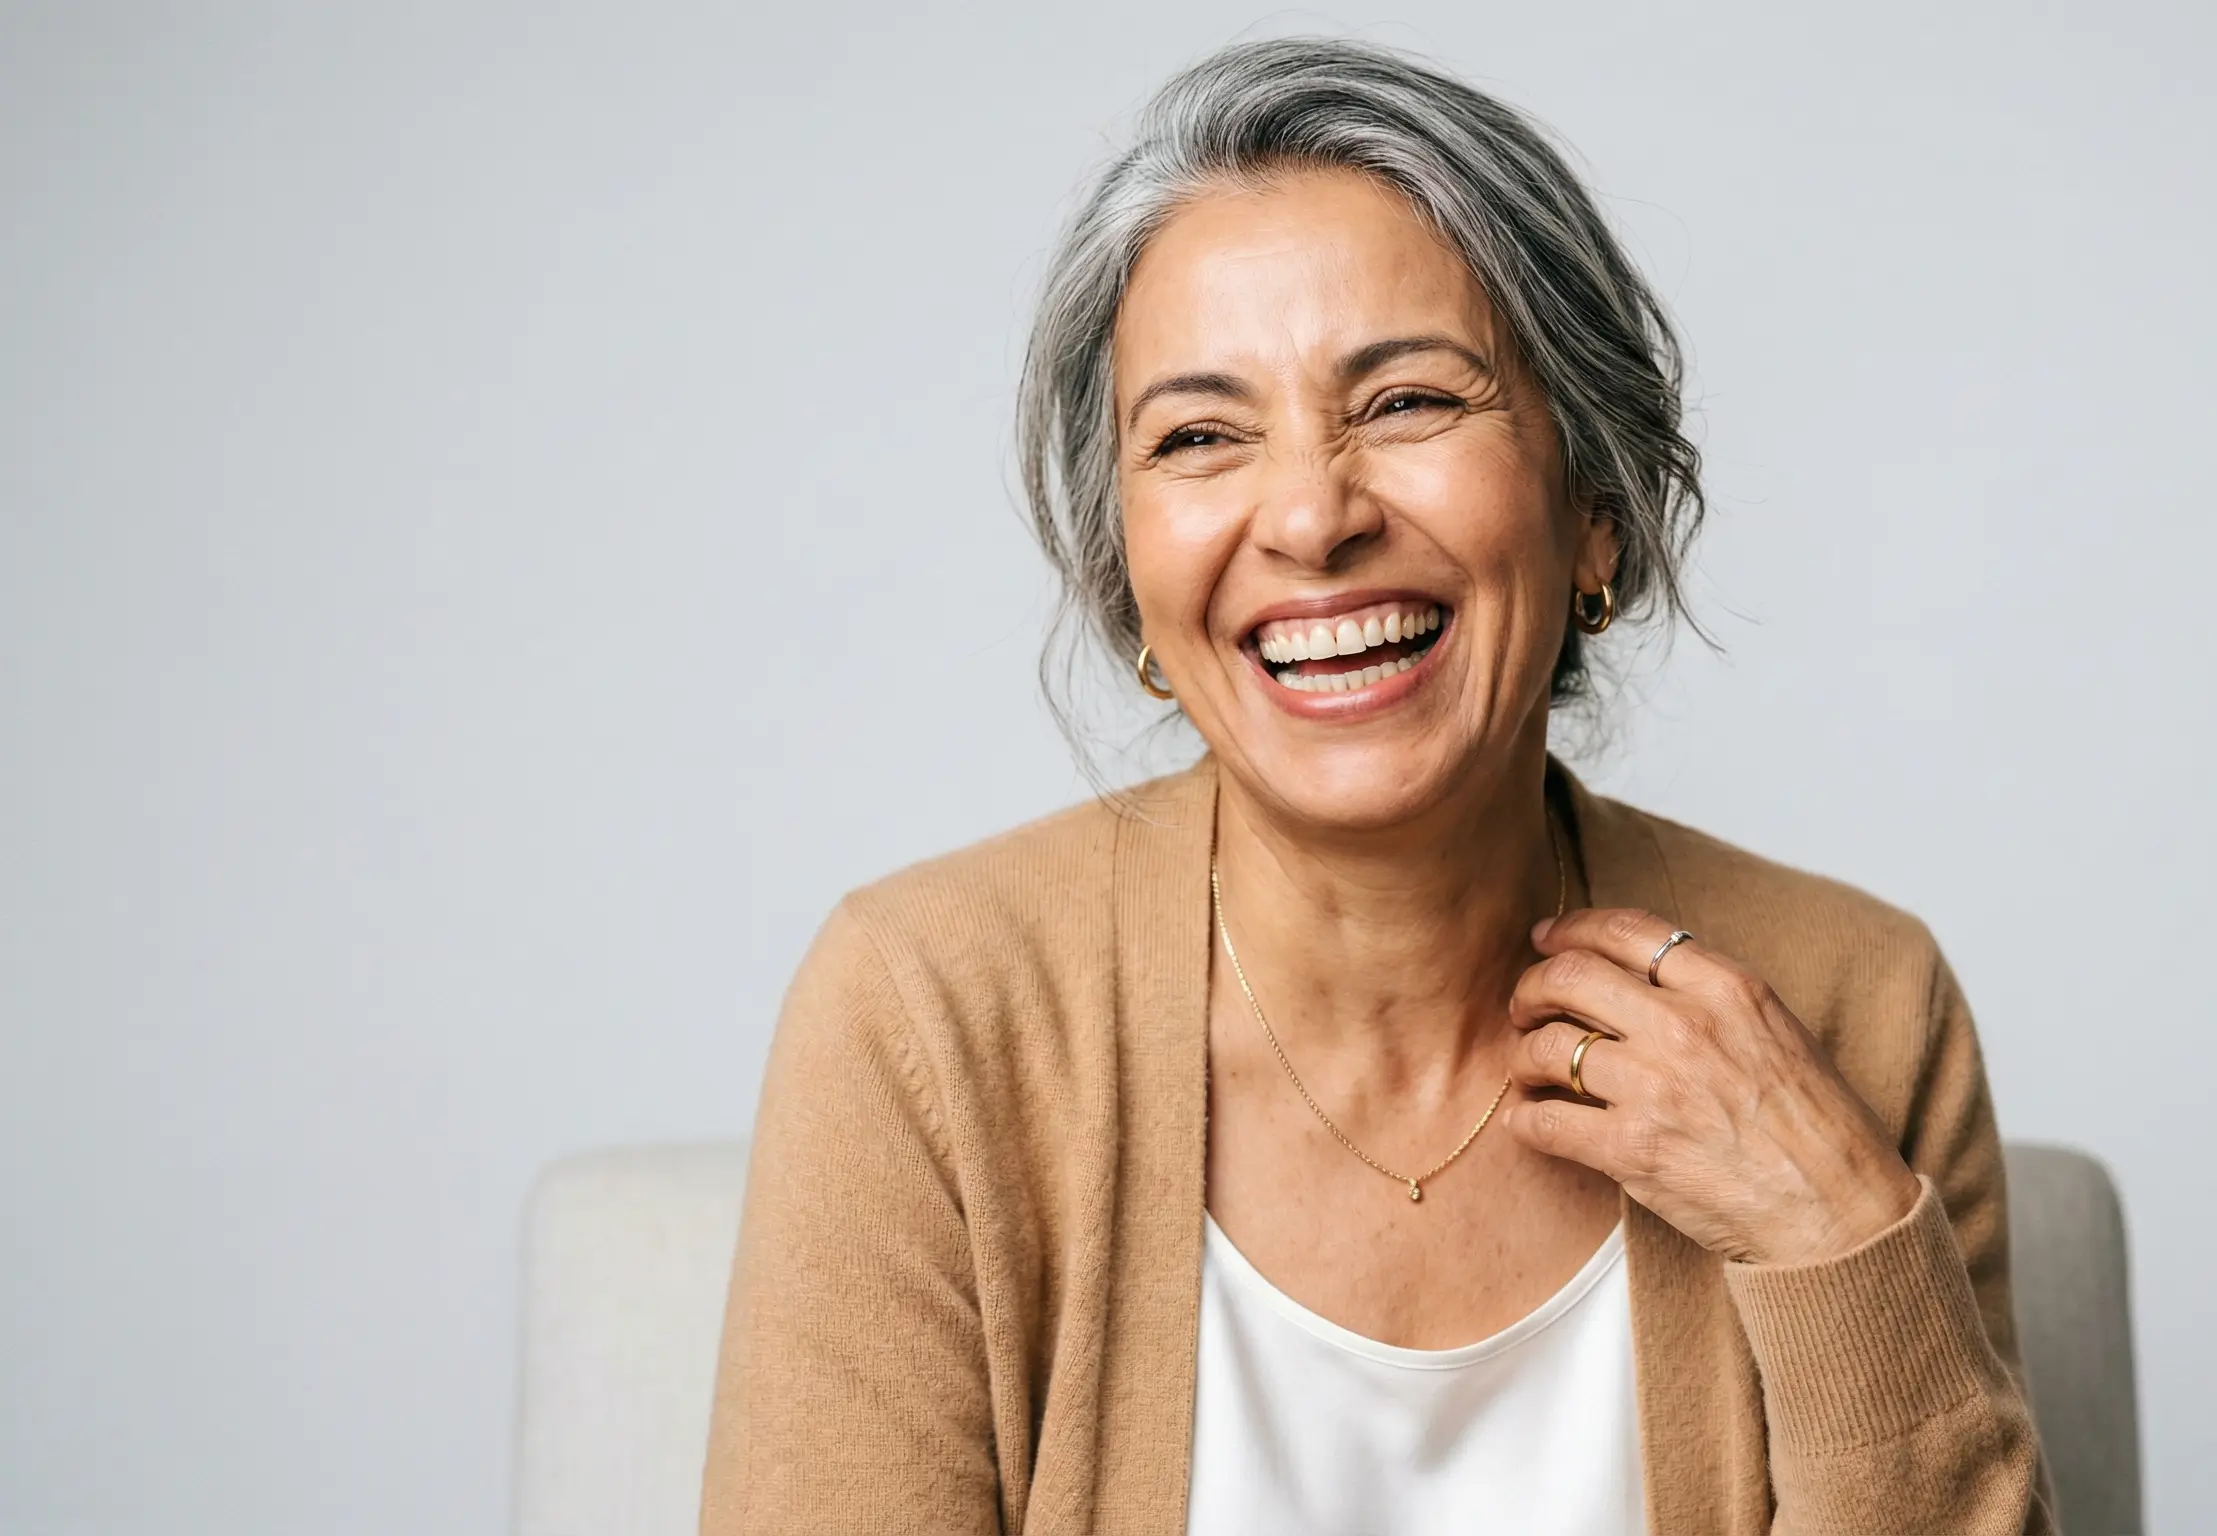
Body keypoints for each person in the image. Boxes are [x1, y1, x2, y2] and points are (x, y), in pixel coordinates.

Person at [701, 37, 2055, 1536]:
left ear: (1593, 509)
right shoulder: (927, 1017)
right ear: (1129, 575)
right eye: (1200, 436)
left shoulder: (1860, 1003)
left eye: (1408, 401)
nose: (1309, 514)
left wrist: (1839, 1241)